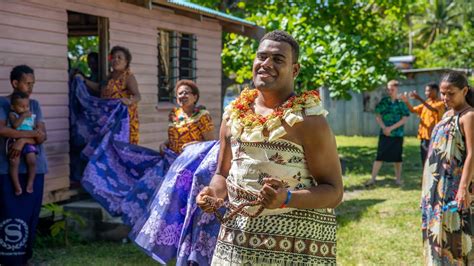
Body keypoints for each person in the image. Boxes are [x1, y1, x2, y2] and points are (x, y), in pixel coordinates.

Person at [196, 30, 343, 265]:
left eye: (277, 59)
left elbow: (334, 192)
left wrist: (286, 198)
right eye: (261, 57)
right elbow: (222, 174)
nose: (266, 64)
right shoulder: (234, 115)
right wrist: (213, 193)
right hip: (237, 245)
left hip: (295, 248)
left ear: (294, 70)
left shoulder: (308, 120)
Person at [421, 71, 474, 264]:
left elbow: (472, 154)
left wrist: (463, 188)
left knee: (455, 237)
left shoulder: (468, 116)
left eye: (450, 93)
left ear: (465, 91)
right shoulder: (446, 115)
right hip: (435, 190)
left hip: (454, 190)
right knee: (436, 236)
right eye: (443, 93)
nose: (445, 98)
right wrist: (425, 188)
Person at [0, 65, 48, 265]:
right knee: (7, 213)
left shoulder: (34, 104)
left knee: (30, 215)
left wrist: (21, 141)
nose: (31, 88)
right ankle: (7, 259)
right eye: (28, 83)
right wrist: (29, 136)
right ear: (15, 83)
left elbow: (42, 135)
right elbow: (2, 131)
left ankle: (25, 258)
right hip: (6, 170)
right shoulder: (3, 103)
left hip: (34, 169)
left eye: (33, 84)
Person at [77, 45, 141, 144]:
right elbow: (99, 88)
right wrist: (83, 80)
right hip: (108, 120)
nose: (116, 60)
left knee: (121, 147)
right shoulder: (110, 76)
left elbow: (137, 96)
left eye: (119, 57)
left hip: (123, 121)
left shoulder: (128, 77)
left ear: (126, 62)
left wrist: (129, 101)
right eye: (114, 57)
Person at [367, 80, 410, 186]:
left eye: (392, 89)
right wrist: (384, 128)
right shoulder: (384, 101)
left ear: (397, 89)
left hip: (397, 134)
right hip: (385, 133)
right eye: (388, 89)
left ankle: (398, 179)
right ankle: (372, 179)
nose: (389, 91)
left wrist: (391, 128)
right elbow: (377, 115)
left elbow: (405, 118)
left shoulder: (401, 103)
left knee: (397, 158)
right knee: (379, 156)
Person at [160, 79, 215, 154]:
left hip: (194, 160)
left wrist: (195, 145)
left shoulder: (202, 115)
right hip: (174, 160)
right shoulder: (174, 114)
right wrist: (165, 144)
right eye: (180, 93)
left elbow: (211, 143)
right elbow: (176, 136)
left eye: (186, 93)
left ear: (195, 97)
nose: (183, 95)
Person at [400, 83, 445, 166]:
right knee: (424, 160)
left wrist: (419, 98)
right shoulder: (427, 102)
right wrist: (406, 101)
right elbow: (413, 110)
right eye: (425, 91)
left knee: (434, 160)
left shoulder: (441, 103)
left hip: (435, 137)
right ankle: (425, 177)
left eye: (428, 91)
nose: (426, 93)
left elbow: (432, 109)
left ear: (435, 91)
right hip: (424, 137)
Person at [8, 92, 38, 195]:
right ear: (13, 107)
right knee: (14, 162)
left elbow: (33, 127)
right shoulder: (13, 115)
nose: (25, 109)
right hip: (15, 141)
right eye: (21, 106)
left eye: (27, 106)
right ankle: (17, 186)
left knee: (32, 160)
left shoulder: (31, 116)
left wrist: (34, 129)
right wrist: (23, 116)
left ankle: (30, 183)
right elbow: (15, 125)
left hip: (28, 141)